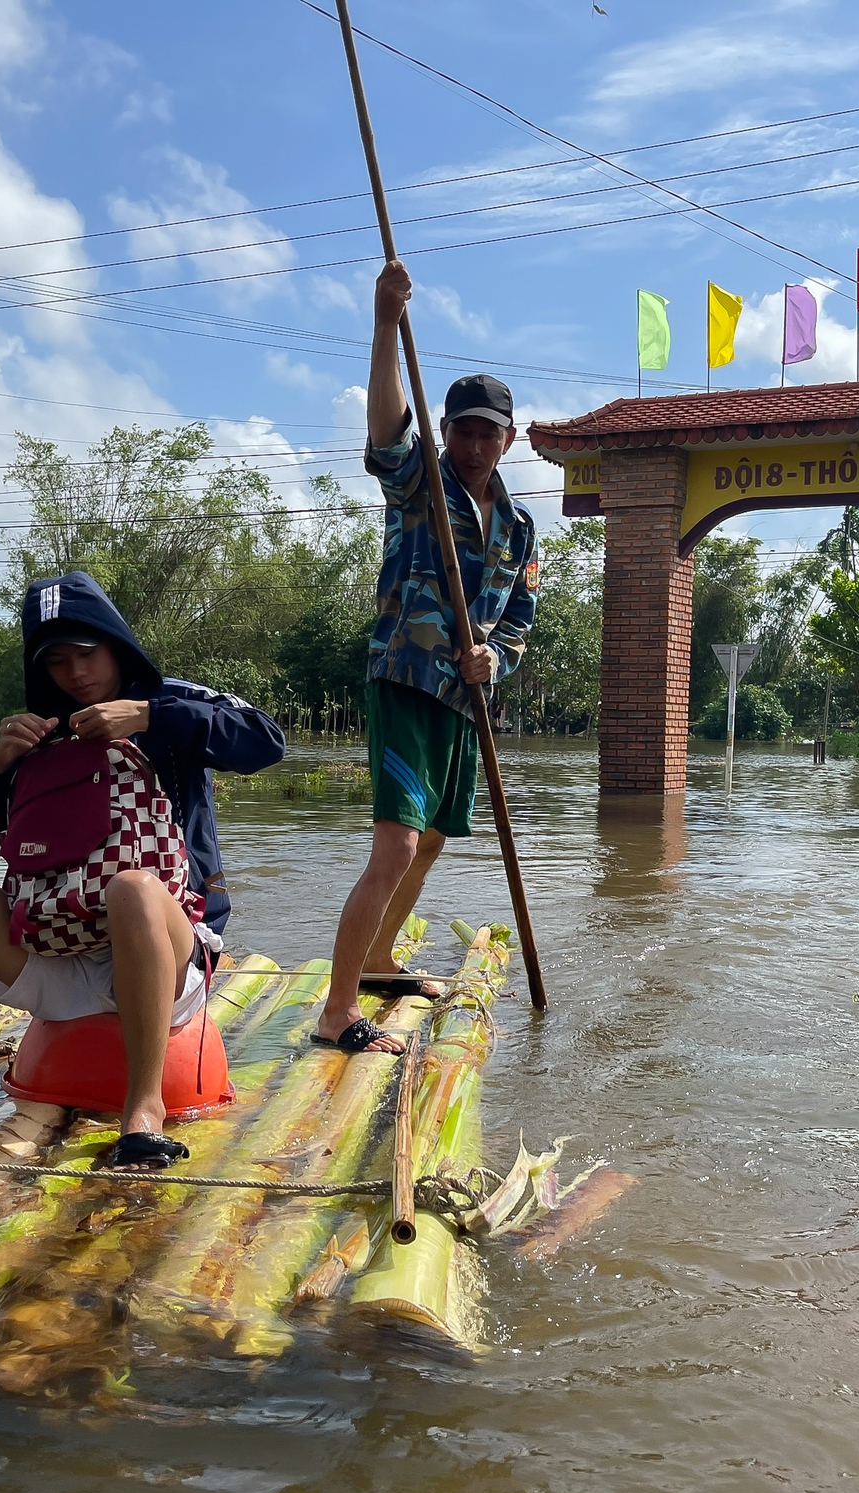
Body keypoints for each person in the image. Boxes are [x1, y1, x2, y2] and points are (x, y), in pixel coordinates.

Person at [0, 571, 284, 1170]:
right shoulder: (37, 733)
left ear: (116, 643)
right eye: (58, 662)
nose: (76, 674)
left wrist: (148, 716)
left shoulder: (169, 701)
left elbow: (265, 742)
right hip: (52, 948)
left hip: (160, 951)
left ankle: (143, 1110)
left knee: (135, 889)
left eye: (87, 653)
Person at [317, 259, 539, 1054]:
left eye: (490, 430)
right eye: (464, 428)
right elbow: (385, 432)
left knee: (437, 838)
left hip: (463, 698)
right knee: (398, 844)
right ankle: (337, 1009)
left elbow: (520, 616)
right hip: (405, 680)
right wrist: (384, 324)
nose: (476, 442)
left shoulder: (519, 529)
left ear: (509, 438)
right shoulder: (419, 483)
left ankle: (379, 958)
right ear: (447, 433)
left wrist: (495, 659)